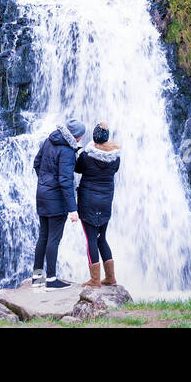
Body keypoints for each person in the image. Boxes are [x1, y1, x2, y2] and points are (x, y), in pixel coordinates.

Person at [31, 118, 86, 289]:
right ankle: (51, 279)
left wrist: (45, 182)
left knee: (43, 237)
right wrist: (73, 209)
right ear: (76, 136)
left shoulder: (49, 140)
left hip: (42, 194)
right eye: (81, 136)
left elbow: (36, 163)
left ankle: (37, 278)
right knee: (53, 239)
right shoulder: (68, 151)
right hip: (56, 199)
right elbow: (65, 181)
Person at [75, 121, 121, 287]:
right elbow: (113, 171)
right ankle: (110, 278)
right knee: (102, 239)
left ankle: (95, 280)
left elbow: (77, 169)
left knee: (91, 240)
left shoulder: (86, 156)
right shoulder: (115, 158)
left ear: (94, 137)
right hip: (105, 203)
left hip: (88, 203)